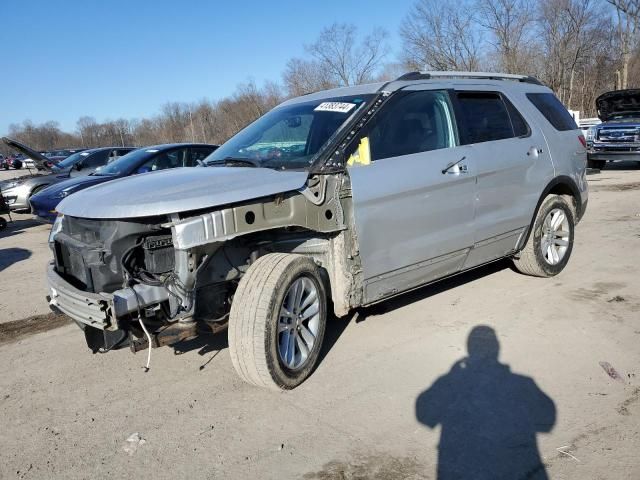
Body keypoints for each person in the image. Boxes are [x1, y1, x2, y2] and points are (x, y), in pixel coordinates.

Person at [416, 325, 556, 480]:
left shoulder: (452, 384)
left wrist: (450, 376)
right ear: (497, 350)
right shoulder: (522, 384)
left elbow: (423, 413)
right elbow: (548, 418)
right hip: (514, 469)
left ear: (470, 351)